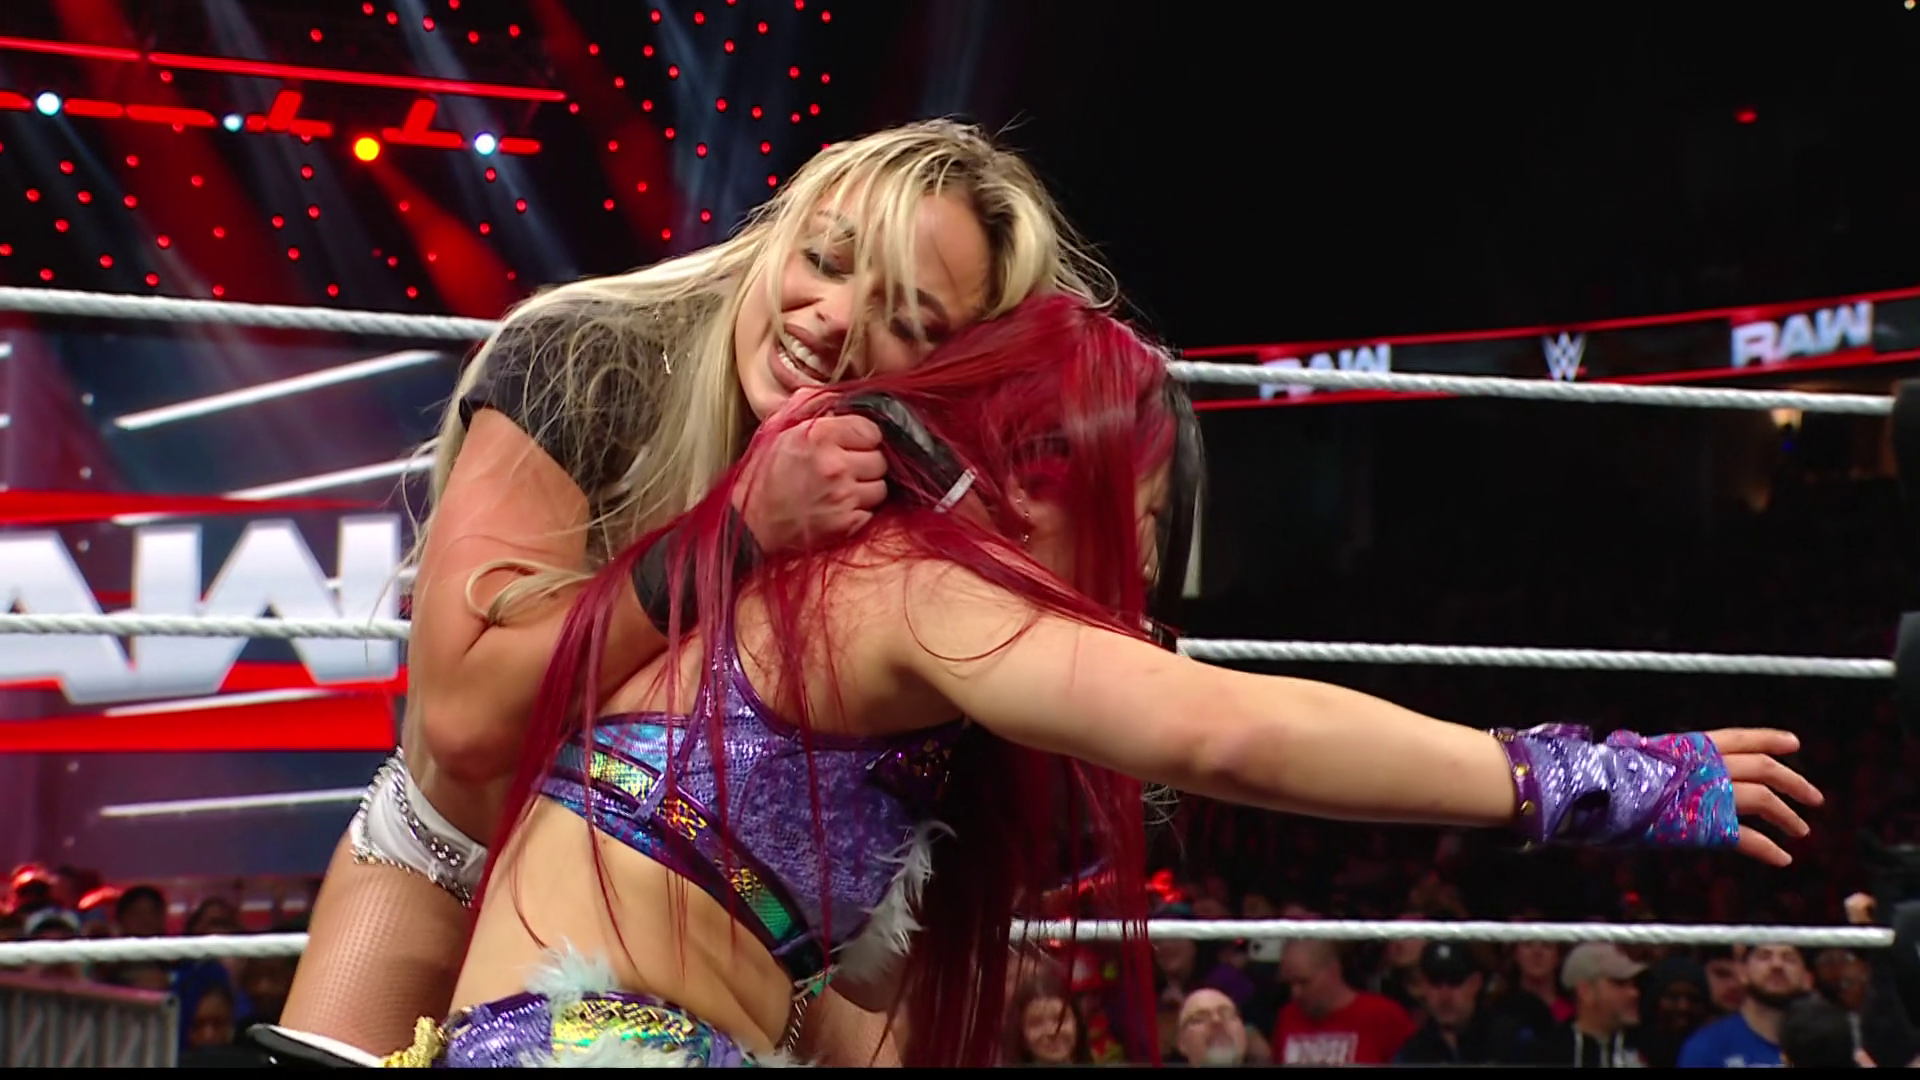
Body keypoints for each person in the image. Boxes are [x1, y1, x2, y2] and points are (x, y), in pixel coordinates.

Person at [379, 294, 1821, 1068]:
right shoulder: (906, 584)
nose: (1138, 573)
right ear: (1037, 474)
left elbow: (795, 983)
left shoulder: (879, 622)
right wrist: (1594, 778)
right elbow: (1227, 731)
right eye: (1138, 521)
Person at [278, 118, 1114, 1061]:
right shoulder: (588, 358)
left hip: (705, 939)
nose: (834, 319)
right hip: (455, 865)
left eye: (908, 322)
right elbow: (466, 722)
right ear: (778, 234)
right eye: (825, 260)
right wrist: (737, 533)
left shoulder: (908, 493)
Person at [1677, 942, 1814, 1067]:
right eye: (1764, 957)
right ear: (1743, 973)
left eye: (1789, 959)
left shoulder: (1822, 1046)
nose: (1777, 965)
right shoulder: (1708, 1046)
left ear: (1807, 979)